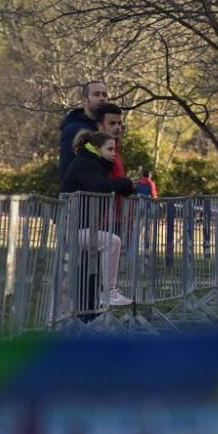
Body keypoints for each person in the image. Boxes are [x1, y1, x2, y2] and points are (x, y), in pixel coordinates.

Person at [60, 131, 136, 308]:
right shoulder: (86, 163)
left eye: (115, 149)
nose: (113, 153)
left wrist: (127, 187)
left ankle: (96, 301)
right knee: (113, 242)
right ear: (96, 148)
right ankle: (108, 292)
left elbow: (104, 185)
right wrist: (124, 183)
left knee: (72, 279)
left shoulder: (94, 163)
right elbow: (99, 187)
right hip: (74, 229)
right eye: (109, 149)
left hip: (82, 227)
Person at [59, 80, 109, 179]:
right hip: (82, 192)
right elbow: (67, 167)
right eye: (96, 94)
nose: (102, 98)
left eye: (104, 95)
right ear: (85, 100)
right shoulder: (74, 129)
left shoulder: (105, 127)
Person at [94, 103, 127, 179]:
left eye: (119, 123)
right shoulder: (93, 152)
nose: (117, 127)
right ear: (100, 126)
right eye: (112, 123)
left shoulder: (115, 150)